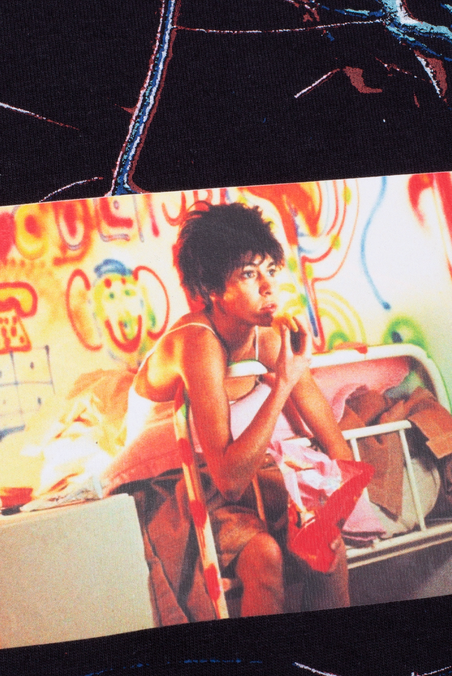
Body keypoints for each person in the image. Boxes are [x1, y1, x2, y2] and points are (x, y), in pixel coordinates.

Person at [125, 202, 353, 617]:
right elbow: (229, 481)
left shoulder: (265, 336)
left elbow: (339, 450)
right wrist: (283, 383)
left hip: (237, 474)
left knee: (325, 547)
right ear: (213, 290)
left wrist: (326, 517)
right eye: (248, 274)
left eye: (271, 270)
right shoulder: (197, 341)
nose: (268, 287)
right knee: (264, 555)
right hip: (173, 482)